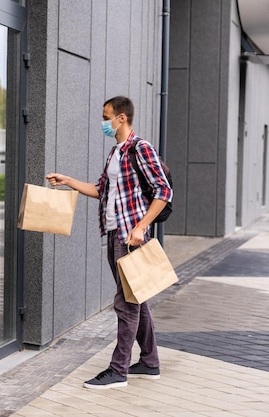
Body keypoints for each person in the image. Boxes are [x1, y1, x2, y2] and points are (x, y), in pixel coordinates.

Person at [46, 96, 172, 389]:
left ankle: (118, 370)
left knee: (126, 303)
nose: (103, 122)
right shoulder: (116, 153)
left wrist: (142, 226)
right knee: (138, 298)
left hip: (132, 237)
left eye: (106, 117)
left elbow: (163, 191)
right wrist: (67, 180)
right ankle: (150, 362)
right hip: (116, 234)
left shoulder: (140, 148)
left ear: (121, 118)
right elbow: (99, 189)